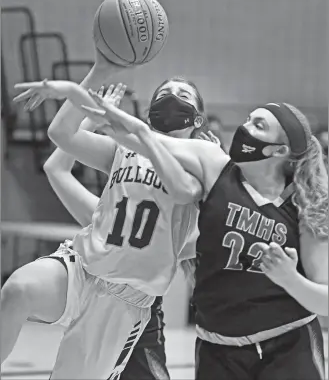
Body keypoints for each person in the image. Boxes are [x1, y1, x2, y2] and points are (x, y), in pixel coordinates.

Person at [79, 98, 328, 380]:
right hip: (216, 347)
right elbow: (145, 139)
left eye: (258, 125)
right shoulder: (214, 164)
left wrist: (289, 279)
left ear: (280, 150)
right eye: (247, 119)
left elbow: (325, 301)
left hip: (286, 345)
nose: (245, 128)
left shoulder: (307, 204)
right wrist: (106, 116)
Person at [4, 53, 212, 379]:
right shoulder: (123, 150)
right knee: (18, 289)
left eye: (183, 96)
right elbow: (62, 135)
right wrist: (100, 72)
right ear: (149, 111)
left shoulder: (200, 167)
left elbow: (200, 233)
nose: (171, 98)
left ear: (198, 119)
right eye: (163, 94)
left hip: (123, 299)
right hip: (82, 267)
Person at [42, 86, 170, 380]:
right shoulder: (107, 215)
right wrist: (92, 121)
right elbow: (56, 167)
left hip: (137, 322)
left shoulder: (181, 207)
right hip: (105, 311)